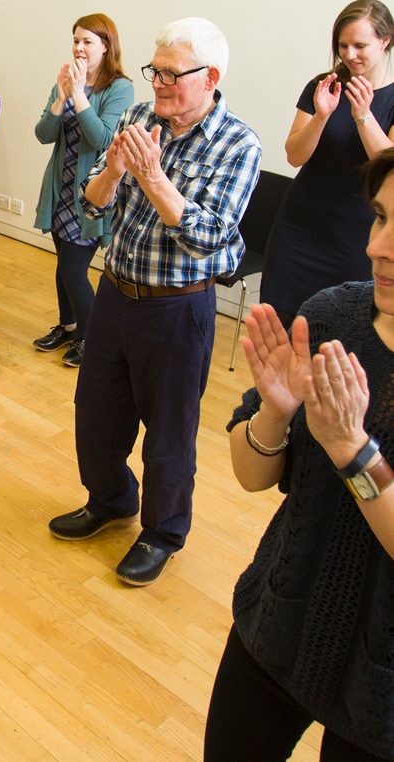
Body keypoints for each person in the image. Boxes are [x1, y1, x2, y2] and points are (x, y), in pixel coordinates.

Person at [47, 17, 262, 586]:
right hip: (117, 291)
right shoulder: (141, 118)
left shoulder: (238, 143)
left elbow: (208, 237)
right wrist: (114, 170)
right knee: (95, 414)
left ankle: (162, 532)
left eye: (171, 73)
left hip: (177, 309)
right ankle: (111, 499)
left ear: (210, 76)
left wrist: (153, 176)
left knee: (168, 434)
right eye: (155, 70)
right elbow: (93, 205)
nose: (159, 82)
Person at [208, 150, 394, 760]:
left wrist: (353, 450)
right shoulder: (333, 314)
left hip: (381, 684)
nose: (377, 247)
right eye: (378, 218)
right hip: (281, 619)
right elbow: (251, 472)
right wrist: (275, 413)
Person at [261, 0, 394, 327]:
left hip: (356, 238)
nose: (349, 55)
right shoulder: (323, 85)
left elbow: (388, 170)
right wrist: (322, 115)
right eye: (342, 45)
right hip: (299, 229)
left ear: (385, 41)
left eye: (359, 45)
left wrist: (363, 115)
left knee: (340, 336)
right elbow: (295, 155)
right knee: (280, 333)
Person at [32, 14, 135, 368]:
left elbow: (106, 141)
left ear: (106, 47)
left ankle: (92, 338)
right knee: (62, 264)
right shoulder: (65, 81)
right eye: (76, 40)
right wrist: (61, 97)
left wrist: (78, 95)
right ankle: (68, 324)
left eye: (88, 41)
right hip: (60, 188)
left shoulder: (120, 88)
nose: (79, 48)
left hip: (91, 193)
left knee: (74, 270)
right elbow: (44, 134)